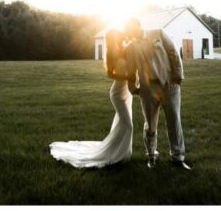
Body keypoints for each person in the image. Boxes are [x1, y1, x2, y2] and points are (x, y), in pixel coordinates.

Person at [50, 29, 135, 168]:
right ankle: (116, 155)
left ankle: (123, 154)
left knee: (123, 123)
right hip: (117, 93)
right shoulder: (111, 52)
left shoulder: (124, 50)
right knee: (128, 126)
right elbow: (110, 74)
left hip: (127, 92)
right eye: (117, 37)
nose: (120, 38)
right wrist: (127, 78)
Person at [123, 17, 191, 170]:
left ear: (137, 26)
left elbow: (173, 53)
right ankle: (151, 156)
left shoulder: (158, 33)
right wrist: (133, 88)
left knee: (174, 121)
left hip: (169, 84)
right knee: (150, 124)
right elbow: (131, 70)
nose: (129, 33)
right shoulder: (131, 47)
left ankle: (178, 158)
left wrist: (178, 76)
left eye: (130, 29)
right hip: (148, 89)